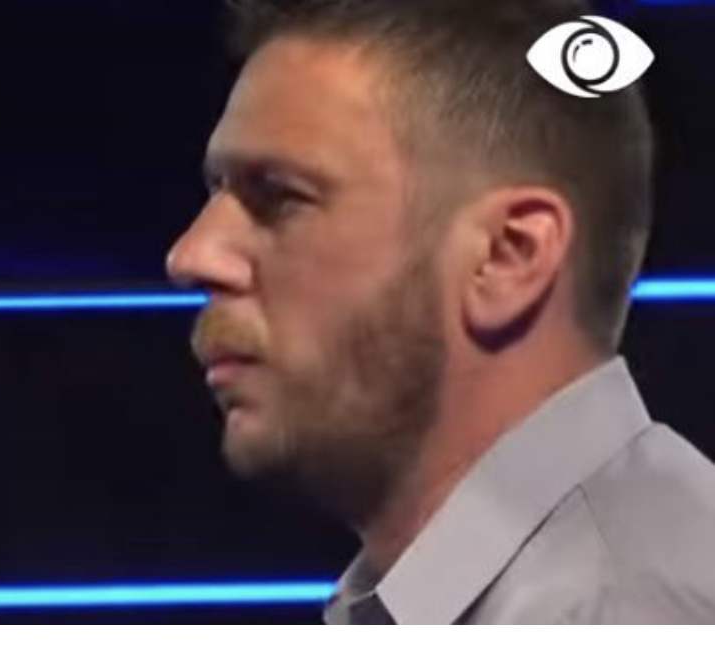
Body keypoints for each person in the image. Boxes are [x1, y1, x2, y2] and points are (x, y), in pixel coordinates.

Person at [166, 0, 715, 624]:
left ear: (507, 255)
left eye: (279, 197)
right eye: (217, 192)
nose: (192, 255)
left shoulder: (616, 612)